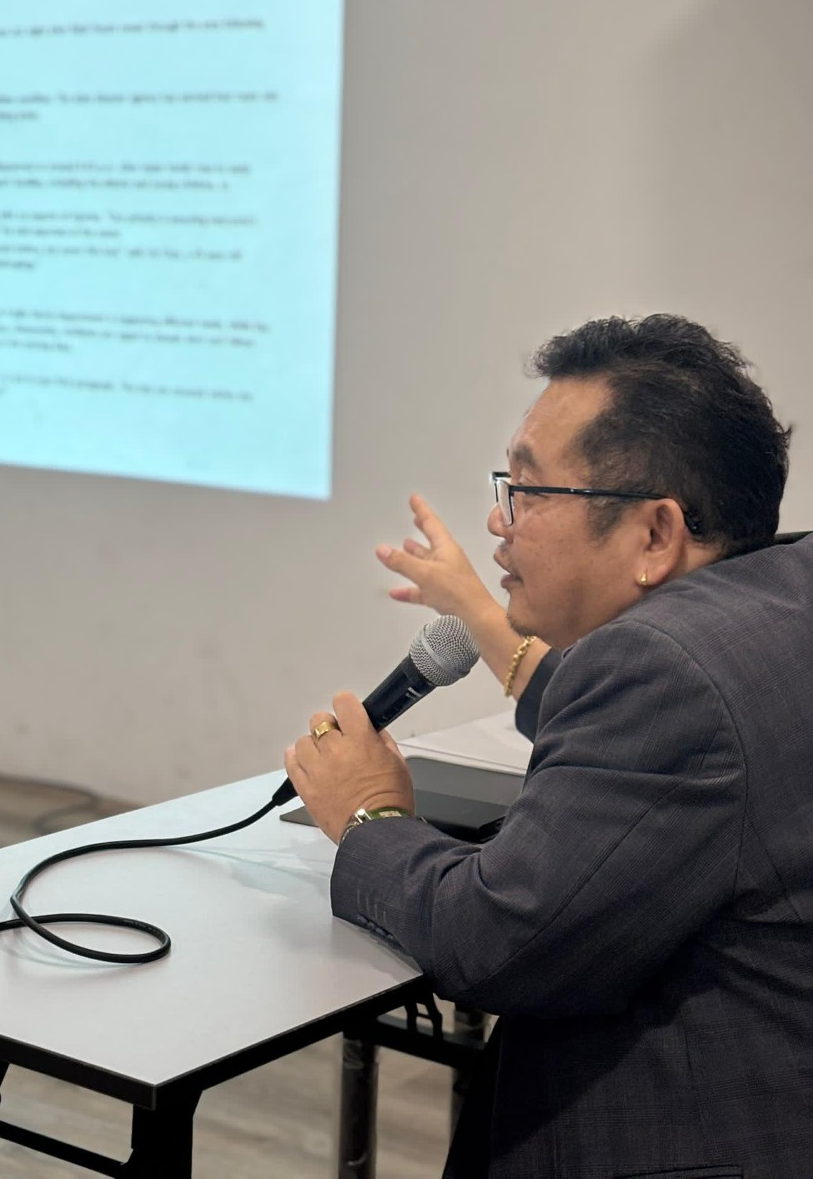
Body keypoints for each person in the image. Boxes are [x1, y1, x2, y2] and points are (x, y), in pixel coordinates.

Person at [283, 314, 812, 1179]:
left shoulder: (662, 670)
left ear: (654, 534)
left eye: (529, 492)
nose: (501, 521)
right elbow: (637, 720)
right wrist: (485, 619)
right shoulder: (781, 592)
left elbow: (493, 941)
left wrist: (370, 814)